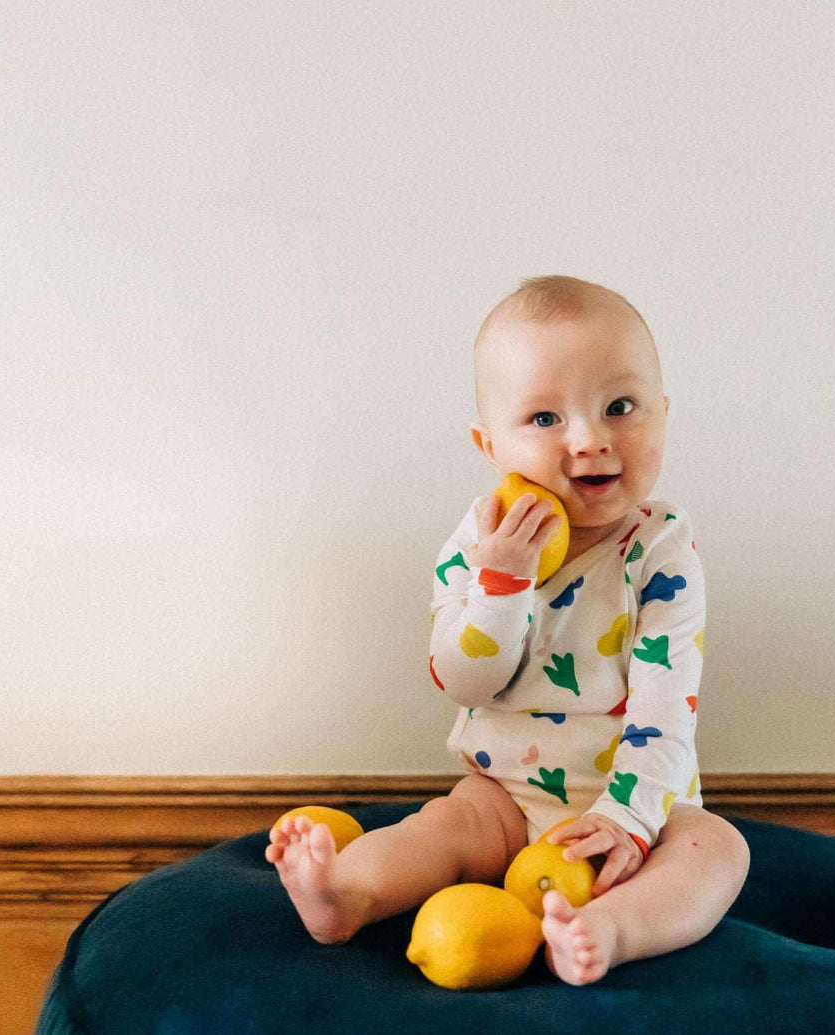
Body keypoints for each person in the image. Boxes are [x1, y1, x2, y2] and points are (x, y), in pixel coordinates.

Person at [267, 275, 750, 985]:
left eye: (620, 406)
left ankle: (609, 929)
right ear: (489, 444)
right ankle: (344, 891)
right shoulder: (480, 540)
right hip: (504, 792)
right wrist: (501, 584)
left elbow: (666, 701)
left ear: (664, 415)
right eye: (545, 418)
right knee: (441, 828)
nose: (589, 440)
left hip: (630, 801)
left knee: (717, 848)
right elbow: (462, 678)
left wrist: (629, 817)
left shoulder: (661, 547)